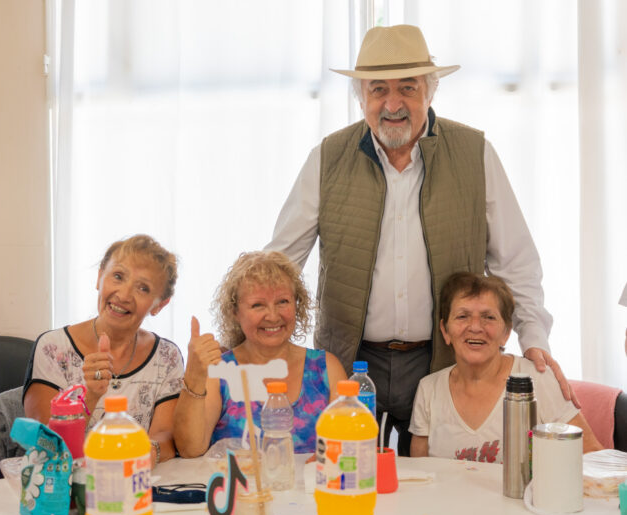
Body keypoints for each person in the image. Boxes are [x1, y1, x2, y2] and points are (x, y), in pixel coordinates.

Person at [266, 24, 571, 455]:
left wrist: (533, 338)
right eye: (378, 90)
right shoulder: (327, 157)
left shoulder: (474, 153)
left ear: (430, 91)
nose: (392, 104)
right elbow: (281, 262)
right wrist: (253, 336)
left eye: (407, 88)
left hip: (443, 363)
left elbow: (514, 260)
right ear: (361, 98)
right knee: (348, 480)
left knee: (440, 493)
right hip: (350, 365)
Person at [23, 234, 183, 466]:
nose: (124, 295)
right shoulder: (53, 348)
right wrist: (91, 396)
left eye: (143, 288)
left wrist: (148, 452)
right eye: (118, 276)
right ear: (99, 277)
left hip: (136, 486)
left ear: (159, 304)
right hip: (66, 492)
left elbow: (166, 437)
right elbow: (46, 446)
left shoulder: (167, 357)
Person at [409, 273, 602, 461]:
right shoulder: (428, 389)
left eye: (489, 317)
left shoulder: (536, 378)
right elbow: (422, 477)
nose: (475, 327)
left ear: (507, 332)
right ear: (445, 331)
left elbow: (592, 455)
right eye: (462, 316)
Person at [174, 251, 346, 458]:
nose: (273, 316)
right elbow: (190, 449)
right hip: (242, 489)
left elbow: (351, 445)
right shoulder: (219, 371)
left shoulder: (326, 367)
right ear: (234, 312)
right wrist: (194, 374)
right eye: (258, 305)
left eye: (283, 302)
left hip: (313, 488)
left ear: (297, 304)